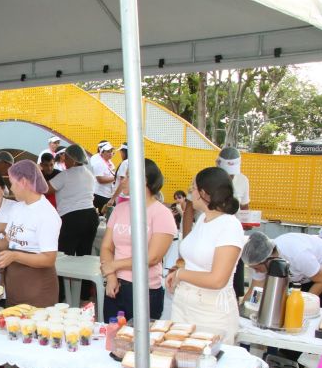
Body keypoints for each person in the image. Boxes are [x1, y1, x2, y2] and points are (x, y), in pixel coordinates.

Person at [166, 167, 244, 344]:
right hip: (184, 304)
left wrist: (180, 274)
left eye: (192, 188)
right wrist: (178, 269)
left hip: (211, 313)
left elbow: (218, 279)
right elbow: (196, 259)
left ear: (204, 193)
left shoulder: (229, 226)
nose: (190, 192)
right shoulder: (203, 219)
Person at [0, 160, 61, 308]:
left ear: (24, 182)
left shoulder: (46, 214)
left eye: (12, 183)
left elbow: (49, 259)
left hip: (38, 289)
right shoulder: (18, 208)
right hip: (14, 288)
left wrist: (15, 256)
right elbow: (9, 243)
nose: (11, 188)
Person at [100, 159, 176, 321]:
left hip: (144, 289)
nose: (123, 180)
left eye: (128, 176)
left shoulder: (161, 214)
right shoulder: (120, 209)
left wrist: (114, 265)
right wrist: (111, 276)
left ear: (144, 180)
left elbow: (153, 257)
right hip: (115, 285)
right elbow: (106, 247)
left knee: (139, 342)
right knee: (112, 338)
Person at [241, 231, 322, 307]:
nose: (256, 271)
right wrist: (243, 309)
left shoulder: (297, 255)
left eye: (257, 268)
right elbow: (255, 290)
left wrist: (303, 306)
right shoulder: (262, 260)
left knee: (312, 308)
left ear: (268, 260)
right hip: (304, 274)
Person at [50, 144, 98, 257]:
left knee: (64, 255)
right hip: (91, 217)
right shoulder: (89, 174)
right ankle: (82, 275)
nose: (64, 161)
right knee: (85, 255)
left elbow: (45, 189)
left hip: (72, 218)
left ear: (73, 159)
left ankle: (61, 275)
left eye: (66, 158)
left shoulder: (65, 175)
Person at [215, 146, 251, 298]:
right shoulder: (208, 178)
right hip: (214, 235)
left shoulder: (243, 180)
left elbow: (245, 209)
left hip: (233, 237)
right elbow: (190, 209)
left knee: (235, 280)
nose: (229, 177)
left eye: (232, 174)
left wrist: (248, 221)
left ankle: (234, 305)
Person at [91, 141, 117, 211]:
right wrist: (115, 178)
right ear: (102, 152)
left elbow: (113, 173)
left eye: (111, 151)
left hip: (108, 193)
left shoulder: (110, 162)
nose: (111, 153)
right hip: (99, 194)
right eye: (108, 151)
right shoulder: (99, 163)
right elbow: (100, 180)